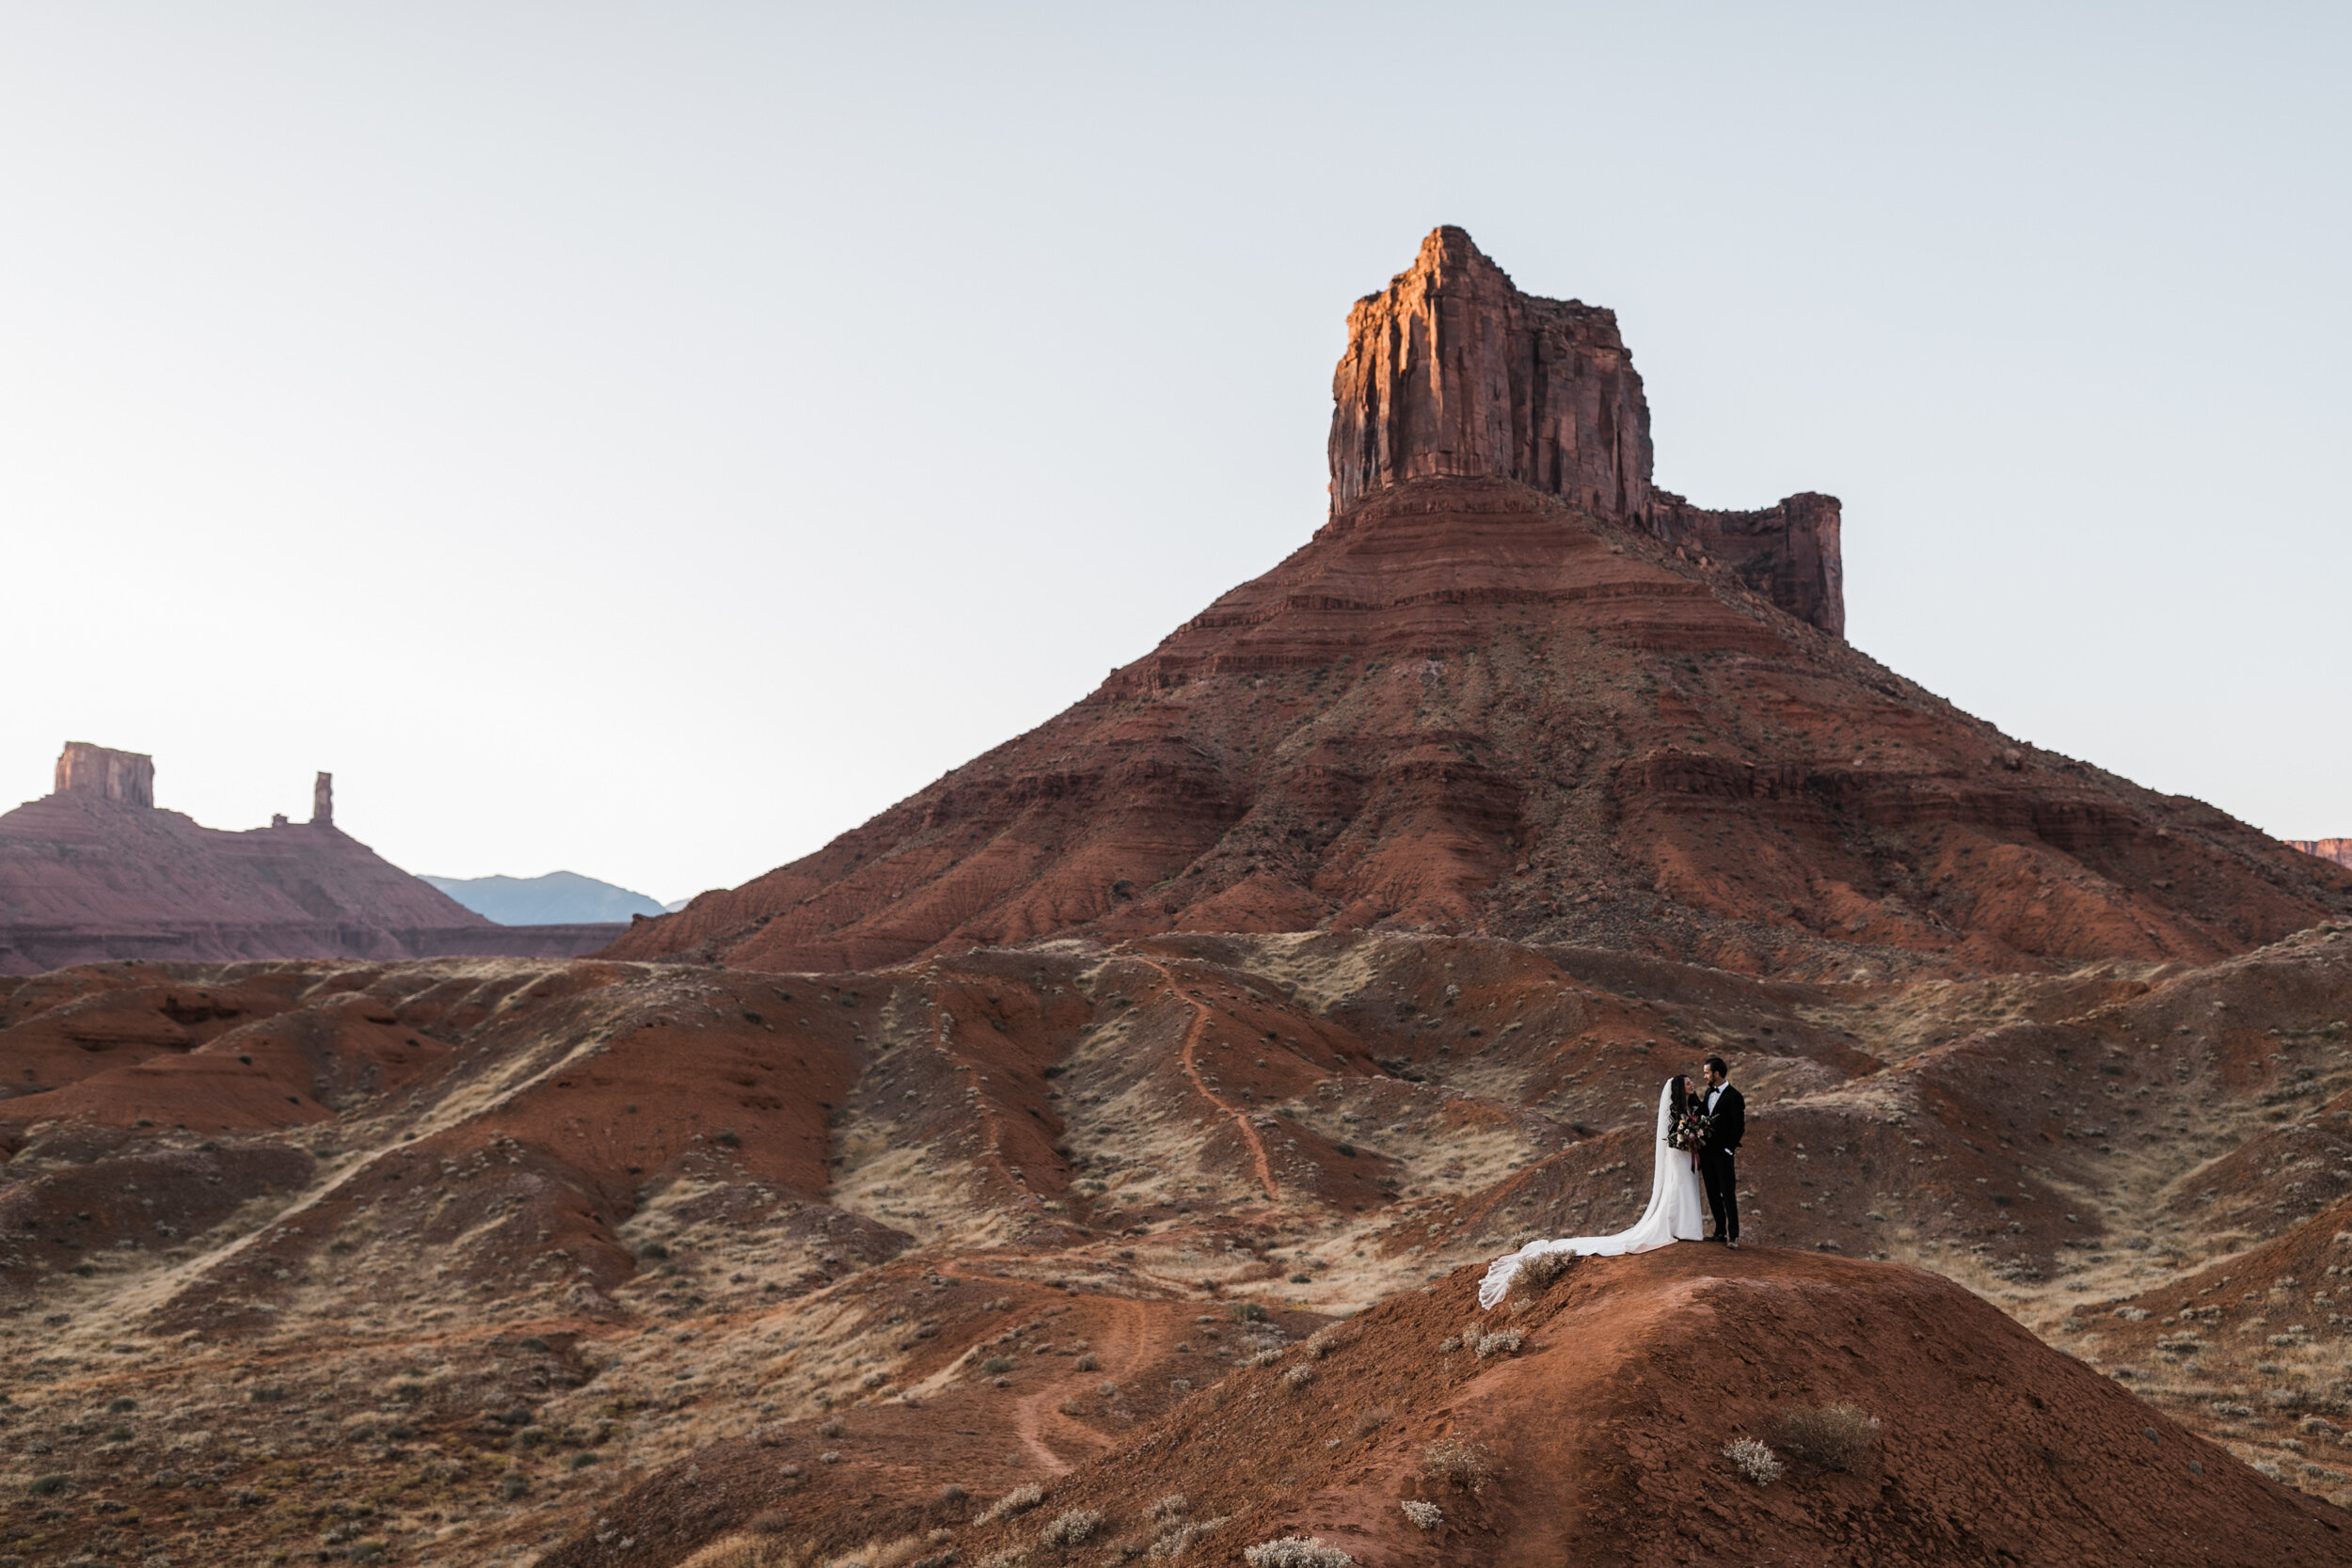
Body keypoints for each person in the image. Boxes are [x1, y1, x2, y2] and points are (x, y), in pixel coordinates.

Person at [1475, 1075, 1706, 1309]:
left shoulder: (1692, 1107)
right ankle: (1677, 1227)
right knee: (1677, 1186)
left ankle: (1686, 1226)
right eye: (1686, 1082)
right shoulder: (1674, 1108)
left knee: (1686, 1186)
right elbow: (1668, 1135)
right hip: (1677, 1155)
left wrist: (1694, 1136)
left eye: (1690, 1081)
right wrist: (1685, 1137)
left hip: (1688, 1153)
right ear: (1678, 1088)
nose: (1691, 1084)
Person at [1699, 1055, 1745, 1247]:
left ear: (1716, 1073)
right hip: (1706, 1152)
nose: (1705, 1076)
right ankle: (1719, 1232)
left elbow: (1738, 1127)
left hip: (1723, 1154)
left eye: (1707, 1072)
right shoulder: (1709, 1093)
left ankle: (1733, 1235)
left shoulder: (1734, 1096)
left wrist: (1728, 1149)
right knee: (1711, 1192)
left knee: (1728, 1193)